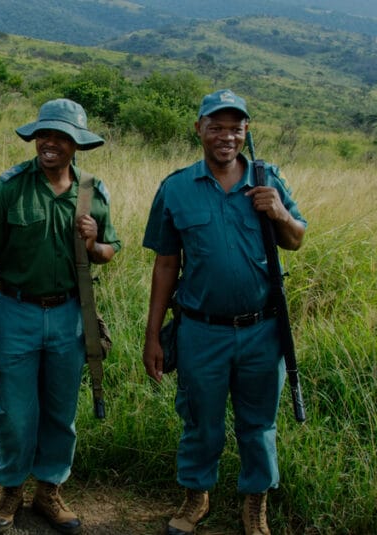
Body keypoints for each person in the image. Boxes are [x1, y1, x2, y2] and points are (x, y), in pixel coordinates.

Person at [141, 89, 307, 535]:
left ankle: (255, 507)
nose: (226, 136)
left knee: (258, 425)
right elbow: (165, 265)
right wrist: (152, 335)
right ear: (198, 129)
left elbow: (296, 239)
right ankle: (197, 498)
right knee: (200, 422)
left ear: (246, 132)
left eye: (235, 127)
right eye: (216, 126)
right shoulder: (176, 188)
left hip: (261, 330)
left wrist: (279, 214)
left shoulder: (267, 178)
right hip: (201, 330)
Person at [0, 98, 121, 535]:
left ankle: (49, 489)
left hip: (70, 315)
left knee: (59, 410)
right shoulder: (11, 187)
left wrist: (93, 244)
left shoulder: (91, 191)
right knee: (14, 411)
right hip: (16, 313)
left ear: (77, 145)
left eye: (62, 137)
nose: (50, 144)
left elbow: (111, 250)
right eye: (44, 135)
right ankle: (11, 487)